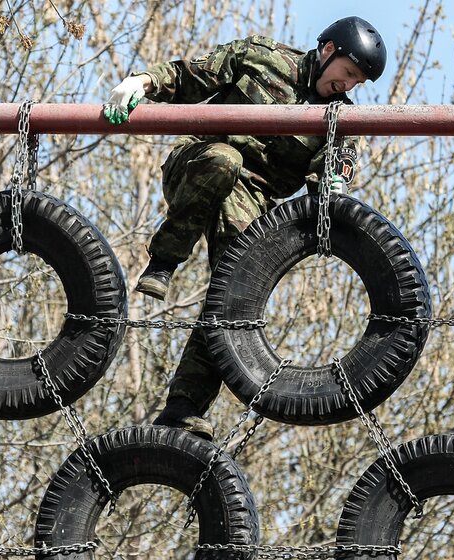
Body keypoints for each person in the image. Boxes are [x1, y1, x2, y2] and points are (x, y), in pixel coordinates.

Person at [103, 16, 387, 440]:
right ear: (328, 51)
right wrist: (142, 82)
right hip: (198, 160)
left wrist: (334, 180)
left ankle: (183, 406)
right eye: (347, 74)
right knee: (225, 160)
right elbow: (191, 76)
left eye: (357, 83)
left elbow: (330, 182)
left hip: (250, 200)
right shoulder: (262, 58)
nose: (348, 86)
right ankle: (163, 261)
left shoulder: (338, 120)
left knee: (231, 292)